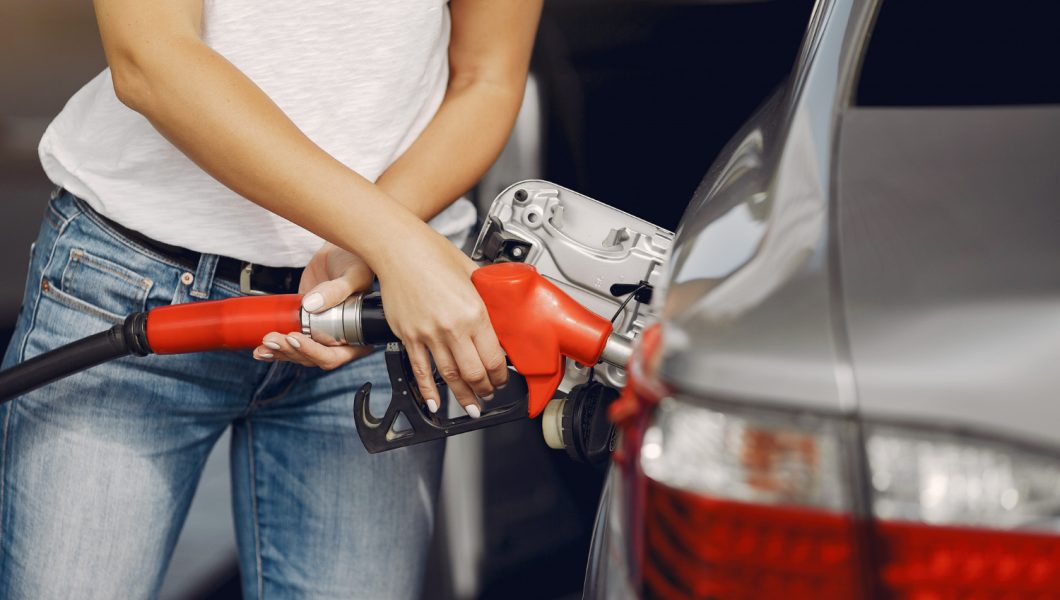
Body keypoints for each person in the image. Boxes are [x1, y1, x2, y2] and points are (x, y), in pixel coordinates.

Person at [0, 0, 541, 597]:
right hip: (131, 287)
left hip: (376, 315)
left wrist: (376, 251)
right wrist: (392, 241)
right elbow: (149, 58)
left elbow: (486, 76)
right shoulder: (395, 246)